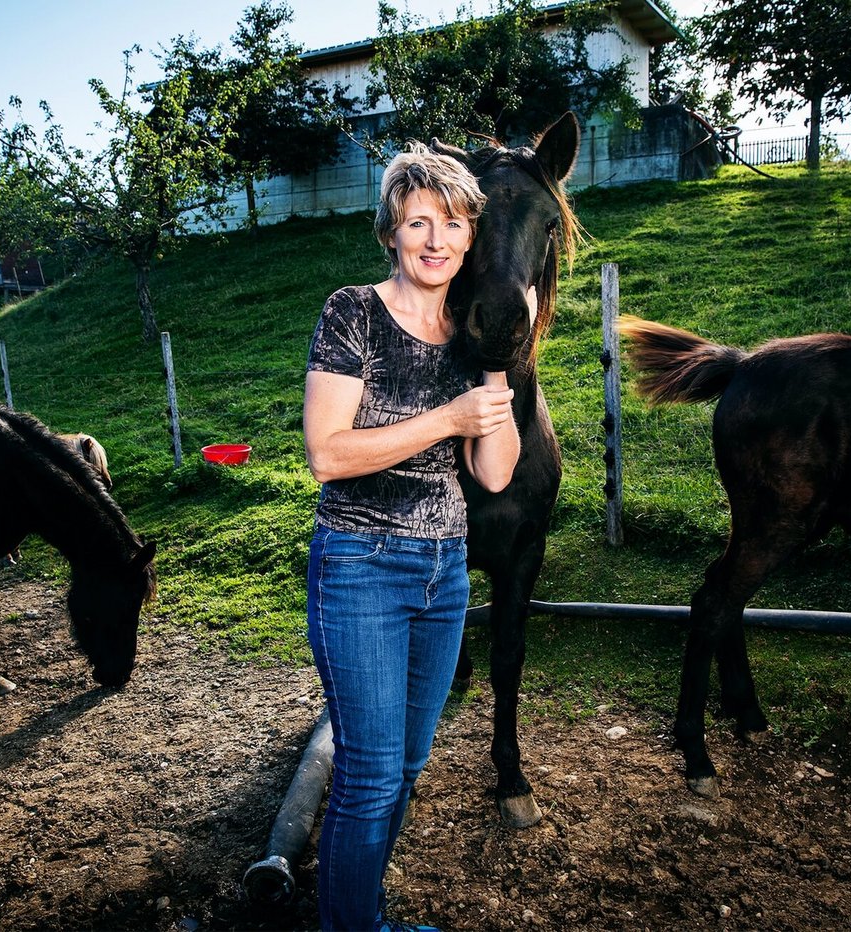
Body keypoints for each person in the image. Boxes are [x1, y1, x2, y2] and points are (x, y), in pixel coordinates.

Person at [302, 142, 521, 932]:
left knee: (406, 766)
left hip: (444, 571)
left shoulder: (470, 329)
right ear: (391, 232)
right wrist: (447, 418)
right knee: (367, 776)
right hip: (360, 565)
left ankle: (362, 915)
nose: (437, 240)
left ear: (470, 238)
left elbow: (494, 471)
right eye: (419, 221)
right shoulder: (353, 312)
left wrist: (495, 364)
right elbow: (328, 456)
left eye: (454, 223)